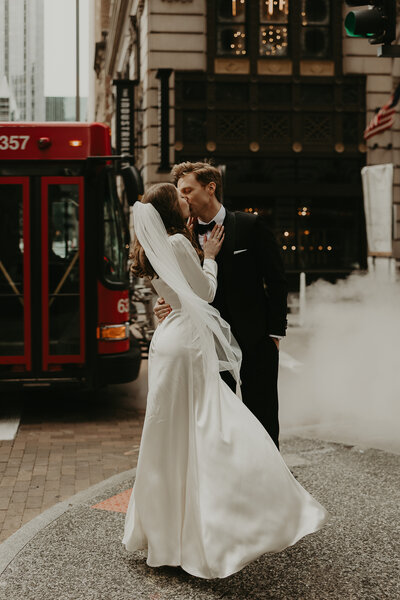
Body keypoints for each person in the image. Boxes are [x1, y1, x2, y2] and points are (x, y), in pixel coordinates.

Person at [122, 182, 328, 579]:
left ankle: (165, 534)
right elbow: (207, 291)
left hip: (168, 343)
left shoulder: (148, 248)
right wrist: (211, 258)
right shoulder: (180, 244)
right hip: (187, 344)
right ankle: (237, 507)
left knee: (169, 433)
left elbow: (170, 293)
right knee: (212, 426)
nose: (187, 201)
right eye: (180, 197)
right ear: (170, 208)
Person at [154, 161, 287, 449]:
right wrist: (163, 303)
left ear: (210, 187)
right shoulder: (181, 237)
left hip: (254, 338)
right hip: (206, 342)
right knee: (216, 417)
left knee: (262, 412)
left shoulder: (250, 225)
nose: (184, 197)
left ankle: (270, 478)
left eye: (188, 190)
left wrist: (275, 332)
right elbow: (177, 284)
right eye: (180, 193)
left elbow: (276, 279)